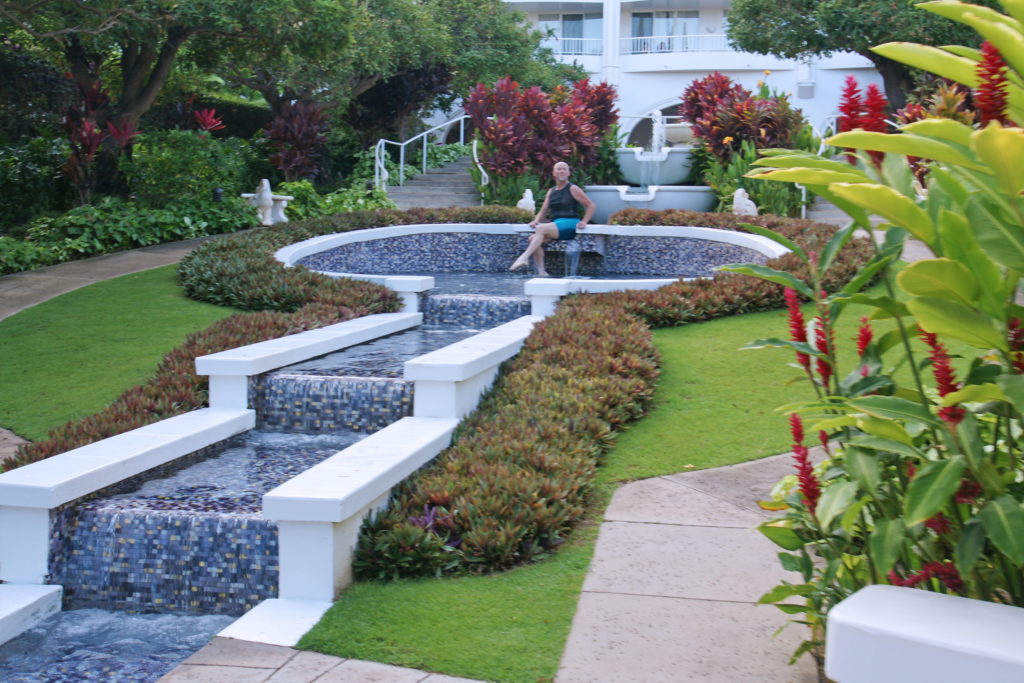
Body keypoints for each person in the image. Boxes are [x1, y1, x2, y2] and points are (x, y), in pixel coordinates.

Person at [511, 161, 596, 277]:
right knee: (532, 238)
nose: (562, 171)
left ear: (568, 173)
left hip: (571, 223)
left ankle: (524, 257)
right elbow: (543, 211)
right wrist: (536, 220)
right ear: (554, 173)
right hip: (556, 224)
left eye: (564, 169)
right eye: (559, 169)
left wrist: (584, 221)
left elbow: (591, 205)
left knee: (540, 229)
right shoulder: (551, 191)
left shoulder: (573, 188)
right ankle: (542, 272)